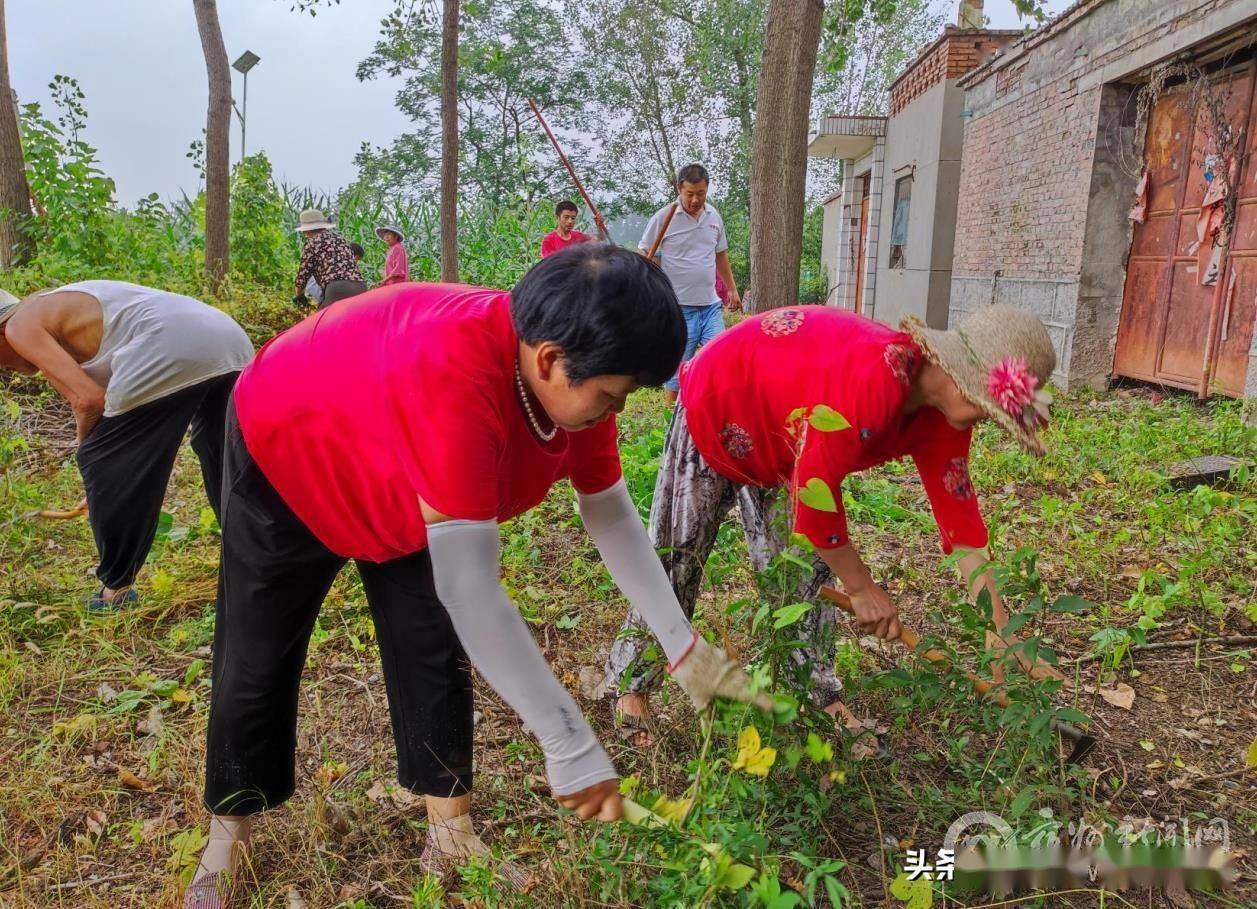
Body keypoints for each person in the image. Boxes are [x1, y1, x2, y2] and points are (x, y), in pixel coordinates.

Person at [183, 245, 770, 907]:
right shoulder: (455, 376)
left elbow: (607, 512)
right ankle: (227, 835)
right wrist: (565, 738)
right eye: (610, 396)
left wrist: (681, 644)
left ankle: (450, 832)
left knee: (430, 641)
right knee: (257, 652)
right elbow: (474, 591)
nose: (614, 412)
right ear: (548, 359)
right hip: (292, 443)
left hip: (407, 468)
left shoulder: (574, 380)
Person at [605, 304, 1060, 745]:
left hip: (783, 444)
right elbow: (815, 497)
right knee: (674, 562)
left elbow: (962, 524)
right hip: (719, 399)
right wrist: (862, 588)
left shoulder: (945, 421)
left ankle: (817, 694)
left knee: (803, 573)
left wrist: (1000, 629)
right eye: (990, 406)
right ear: (960, 374)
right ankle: (633, 685)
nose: (988, 417)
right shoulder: (873, 380)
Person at [0, 281, 253, 611]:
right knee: (222, 453)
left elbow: (89, 401)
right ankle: (256, 555)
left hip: (169, 345)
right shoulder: (52, 310)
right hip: (228, 340)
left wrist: (94, 468)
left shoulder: (20, 326)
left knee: (100, 457)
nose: (4, 369)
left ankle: (116, 591)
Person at [640, 164, 741, 403]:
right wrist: (654, 287)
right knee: (677, 371)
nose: (696, 200)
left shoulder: (713, 216)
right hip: (679, 308)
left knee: (722, 359)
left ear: (707, 189)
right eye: (690, 194)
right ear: (679, 189)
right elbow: (646, 251)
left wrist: (732, 289)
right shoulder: (665, 217)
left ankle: (713, 410)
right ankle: (669, 422)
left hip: (710, 306)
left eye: (701, 193)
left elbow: (720, 255)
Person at [292, 208, 367, 309]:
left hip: (337, 289)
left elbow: (302, 278)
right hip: (361, 288)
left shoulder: (312, 244)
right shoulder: (341, 240)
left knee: (324, 322)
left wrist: (299, 296)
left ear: (307, 230)